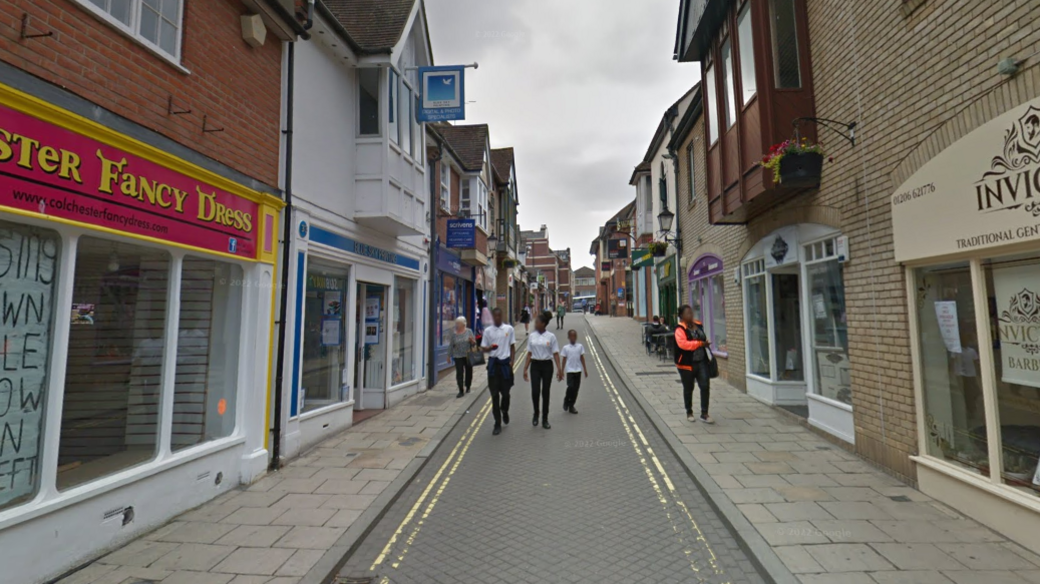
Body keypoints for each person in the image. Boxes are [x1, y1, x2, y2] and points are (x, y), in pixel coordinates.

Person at [674, 304, 714, 424]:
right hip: (687, 364)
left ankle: (704, 413)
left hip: (701, 361)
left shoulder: (698, 325)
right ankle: (689, 412)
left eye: (691, 312)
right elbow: (683, 345)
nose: (690, 315)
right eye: (688, 313)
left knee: (705, 386)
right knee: (688, 388)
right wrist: (699, 344)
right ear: (681, 315)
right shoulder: (679, 329)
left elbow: (702, 338)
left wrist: (705, 343)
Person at [523, 312, 562, 429]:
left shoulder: (551, 337)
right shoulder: (532, 336)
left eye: (537, 322)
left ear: (543, 324)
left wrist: (559, 369)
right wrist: (525, 368)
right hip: (535, 365)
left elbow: (555, 354)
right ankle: (536, 413)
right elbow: (529, 353)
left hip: (546, 366)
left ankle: (545, 418)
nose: (535, 324)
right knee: (535, 391)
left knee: (545, 392)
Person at [481, 308, 516, 435]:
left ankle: (505, 410)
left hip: (505, 364)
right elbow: (483, 348)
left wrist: (512, 361)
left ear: (501, 316)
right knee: (494, 395)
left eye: (498, 315)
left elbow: (512, 346)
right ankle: (497, 422)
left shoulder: (509, 329)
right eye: (494, 316)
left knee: (506, 394)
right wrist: (489, 348)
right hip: (493, 365)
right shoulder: (488, 331)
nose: (496, 318)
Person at [447, 316, 476, 398]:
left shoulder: (469, 331)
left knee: (468, 372)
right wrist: (448, 355)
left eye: (458, 323)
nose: (457, 325)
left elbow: (474, 343)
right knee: (459, 373)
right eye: (456, 323)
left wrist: (472, 341)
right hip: (457, 356)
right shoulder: (454, 334)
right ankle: (461, 390)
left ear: (463, 324)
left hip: (467, 355)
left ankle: (468, 386)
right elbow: (450, 345)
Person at [560, 329, 588, 414]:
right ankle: (566, 400)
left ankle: (571, 405)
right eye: (571, 336)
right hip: (570, 370)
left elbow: (582, 358)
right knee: (570, 387)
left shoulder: (580, 347)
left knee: (576, 389)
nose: (573, 338)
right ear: (568, 337)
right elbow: (564, 359)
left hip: (578, 370)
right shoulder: (566, 348)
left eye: (574, 336)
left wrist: (585, 369)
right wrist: (561, 371)